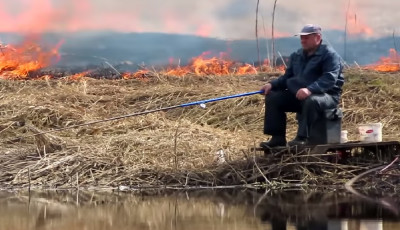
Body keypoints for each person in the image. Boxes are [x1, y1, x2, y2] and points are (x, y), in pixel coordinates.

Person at [260, 24, 344, 148]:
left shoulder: (330, 55)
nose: (303, 41)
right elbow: (287, 77)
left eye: (306, 38)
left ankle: (302, 138)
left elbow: (329, 78)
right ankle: (277, 138)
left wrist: (310, 89)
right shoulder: (297, 56)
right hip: (300, 95)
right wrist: (272, 85)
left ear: (317, 38)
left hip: (326, 96)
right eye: (301, 38)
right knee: (273, 98)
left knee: (311, 100)